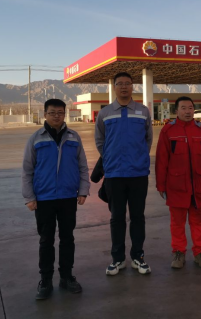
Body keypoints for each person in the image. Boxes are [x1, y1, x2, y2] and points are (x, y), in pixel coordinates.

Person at [22, 98, 90, 300]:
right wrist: (29, 197)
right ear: (45, 114)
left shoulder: (74, 137)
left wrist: (83, 190)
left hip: (68, 197)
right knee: (46, 240)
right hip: (44, 198)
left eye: (60, 112)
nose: (56, 116)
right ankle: (45, 280)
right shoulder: (35, 139)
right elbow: (27, 170)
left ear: (64, 114)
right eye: (52, 112)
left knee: (67, 238)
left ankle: (67, 277)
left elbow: (83, 166)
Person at [95, 71, 153, 275]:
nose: (124, 87)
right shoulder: (105, 113)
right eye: (120, 83)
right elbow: (100, 141)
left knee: (138, 217)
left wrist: (139, 157)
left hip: (138, 174)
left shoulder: (143, 111)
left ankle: (138, 257)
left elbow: (148, 139)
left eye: (127, 83)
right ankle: (117, 259)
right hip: (114, 175)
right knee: (117, 217)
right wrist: (110, 158)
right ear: (114, 87)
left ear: (132, 86)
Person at [155, 96, 201, 269]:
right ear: (176, 111)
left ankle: (200, 253)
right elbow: (161, 160)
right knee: (177, 222)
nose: (188, 111)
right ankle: (179, 253)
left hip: (198, 186)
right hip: (176, 186)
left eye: (190, 108)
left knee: (199, 221)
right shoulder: (168, 131)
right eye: (183, 108)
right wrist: (161, 185)